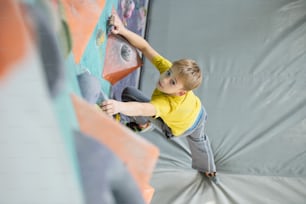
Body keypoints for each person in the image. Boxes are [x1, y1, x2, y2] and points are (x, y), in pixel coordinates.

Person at [101, 10, 218, 181]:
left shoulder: (168, 104)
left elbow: (142, 107)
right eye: (169, 73)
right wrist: (123, 30)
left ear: (180, 92)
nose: (164, 79)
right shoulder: (170, 71)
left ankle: (209, 169)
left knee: (199, 143)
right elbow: (145, 47)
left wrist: (117, 107)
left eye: (172, 82)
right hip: (198, 109)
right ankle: (142, 125)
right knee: (128, 93)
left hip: (188, 125)